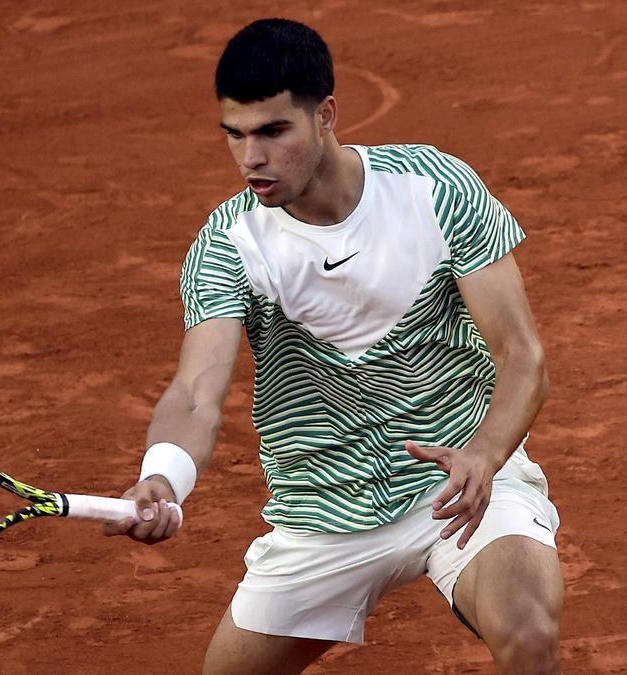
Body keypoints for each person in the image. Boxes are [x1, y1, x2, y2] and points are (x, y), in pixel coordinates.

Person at [103, 17, 563, 674]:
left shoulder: (435, 188)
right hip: (322, 511)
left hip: (461, 482)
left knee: (530, 632)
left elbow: (524, 357)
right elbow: (196, 392)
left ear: (326, 116)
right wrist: (163, 474)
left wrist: (485, 456)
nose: (250, 159)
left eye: (272, 131)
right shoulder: (228, 248)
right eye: (234, 136)